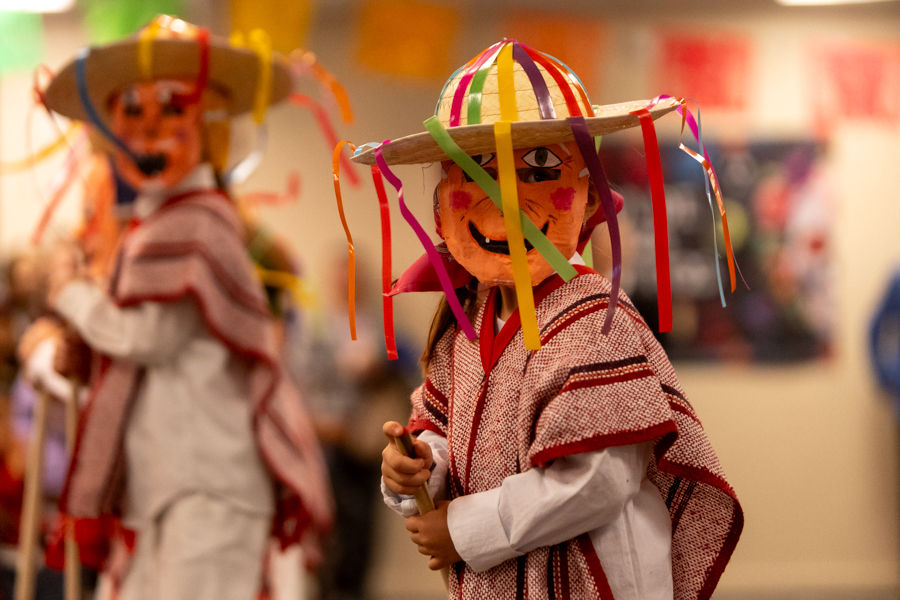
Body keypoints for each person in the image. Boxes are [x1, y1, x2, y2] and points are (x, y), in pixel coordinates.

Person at [354, 41, 743, 599]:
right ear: (441, 204)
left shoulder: (597, 320)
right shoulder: (466, 323)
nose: (503, 201)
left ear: (590, 199)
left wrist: (463, 530)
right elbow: (442, 434)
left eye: (538, 169)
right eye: (475, 171)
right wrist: (419, 465)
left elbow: (599, 480)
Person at [40, 16, 332, 600]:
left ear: (209, 120)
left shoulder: (198, 220)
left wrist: (70, 293)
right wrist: (85, 352)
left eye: (173, 107)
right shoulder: (157, 223)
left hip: (208, 484)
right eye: (130, 109)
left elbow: (149, 338)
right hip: (167, 487)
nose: (149, 127)